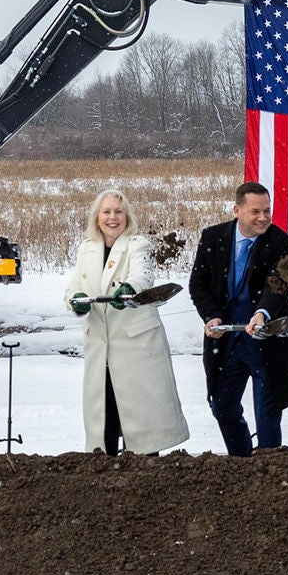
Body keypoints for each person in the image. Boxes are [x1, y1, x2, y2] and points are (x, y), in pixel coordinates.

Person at [66, 189, 188, 456]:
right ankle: (105, 469)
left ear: (127, 216)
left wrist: (128, 289)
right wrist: (75, 299)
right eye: (106, 212)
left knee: (142, 419)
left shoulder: (138, 244)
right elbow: (73, 288)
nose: (113, 218)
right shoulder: (86, 249)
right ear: (97, 217)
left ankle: (145, 473)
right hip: (101, 346)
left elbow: (142, 275)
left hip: (137, 346)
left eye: (118, 212)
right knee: (104, 413)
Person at [189, 182, 288, 457]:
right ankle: (241, 461)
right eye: (255, 212)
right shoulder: (213, 238)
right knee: (223, 407)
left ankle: (269, 470)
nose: (263, 218)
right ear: (237, 210)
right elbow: (198, 284)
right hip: (227, 341)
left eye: (267, 211)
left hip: (266, 343)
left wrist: (262, 314)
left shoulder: (283, 243)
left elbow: (278, 286)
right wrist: (211, 316)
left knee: (268, 415)